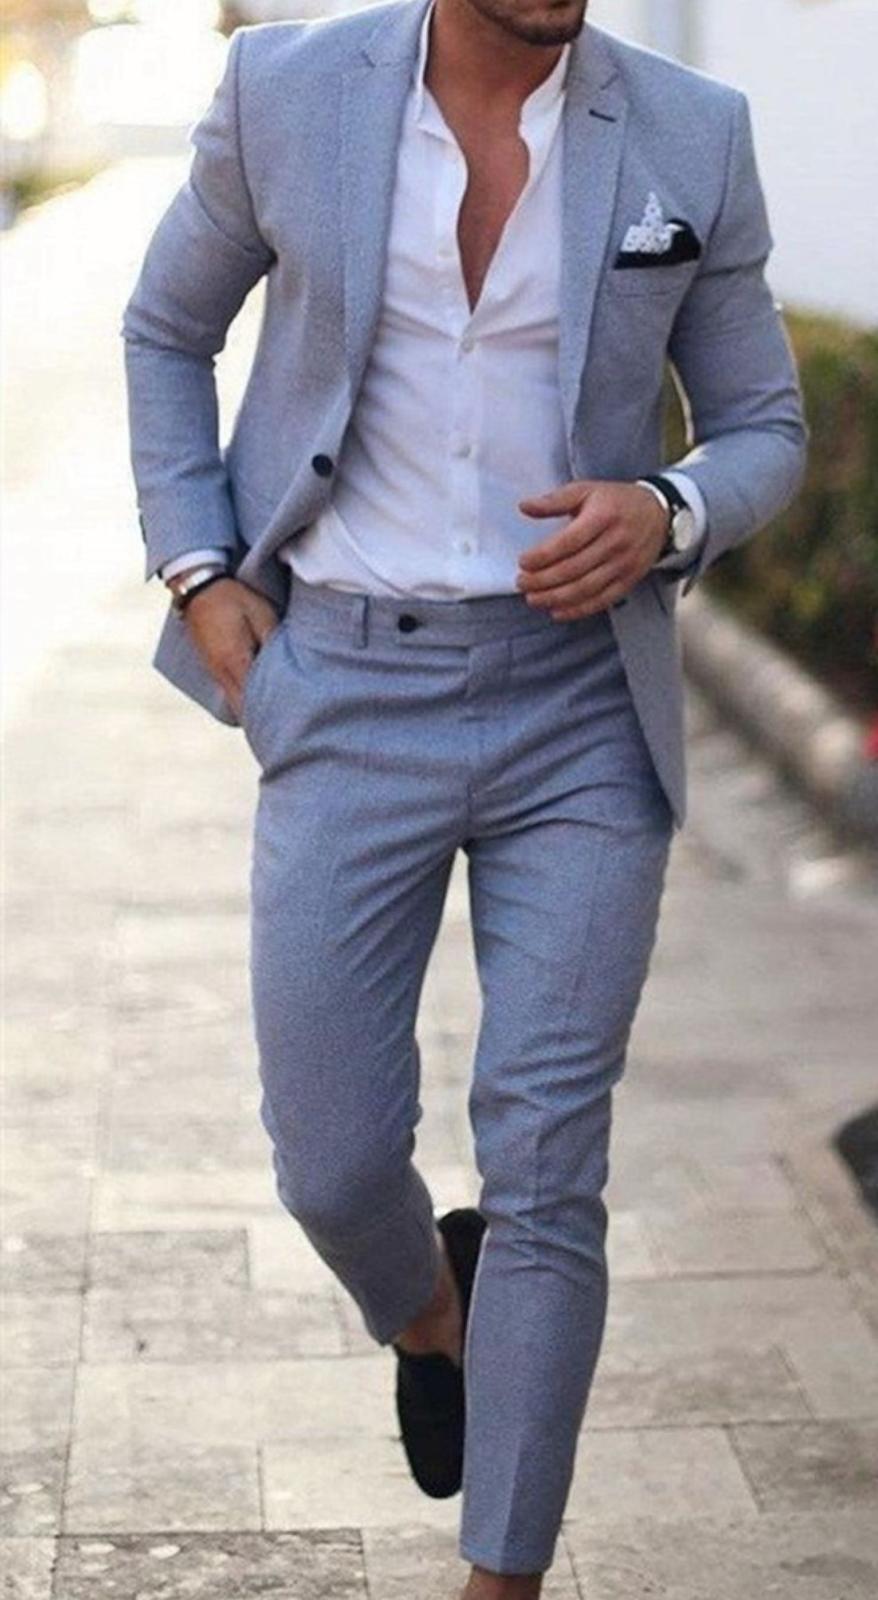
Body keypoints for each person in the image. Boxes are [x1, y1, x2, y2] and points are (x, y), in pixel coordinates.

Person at [120, 1, 807, 1594]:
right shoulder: (285, 92)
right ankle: (433, 1314)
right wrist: (200, 570)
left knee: (548, 1164)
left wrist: (666, 506)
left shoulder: (690, 130)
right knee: (330, 1160)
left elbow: (761, 426)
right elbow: (164, 329)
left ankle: (504, 1577)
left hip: (581, 706)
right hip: (345, 685)